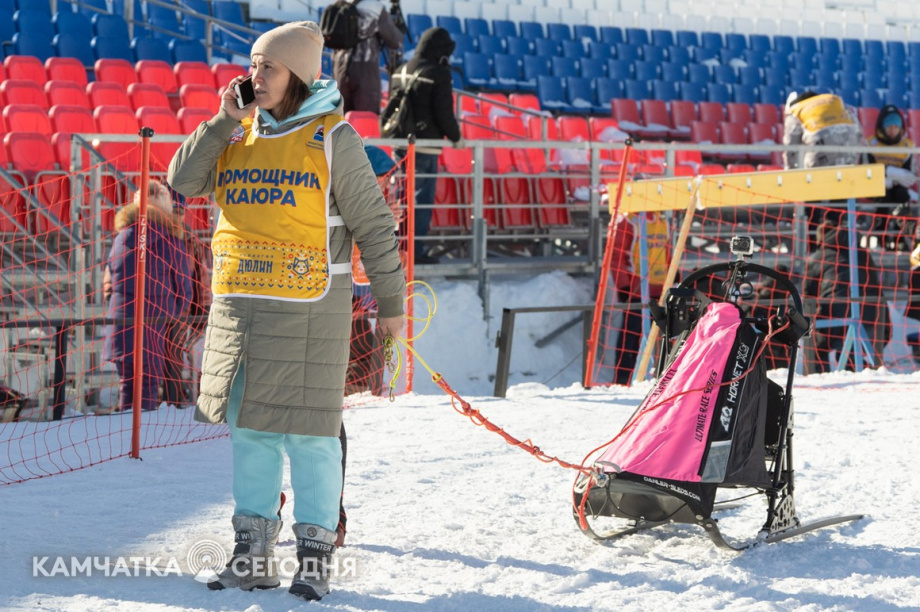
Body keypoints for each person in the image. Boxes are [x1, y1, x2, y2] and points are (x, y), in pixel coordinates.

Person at [167, 21, 406, 601]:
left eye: (267, 67)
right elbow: (182, 179)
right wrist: (224, 118)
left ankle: (315, 555)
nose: (255, 75)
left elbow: (374, 227)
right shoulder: (238, 134)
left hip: (309, 312)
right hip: (240, 309)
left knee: (310, 437)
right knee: (249, 431)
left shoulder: (335, 138)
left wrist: (392, 306)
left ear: (297, 75)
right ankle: (252, 554)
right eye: (253, 64)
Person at [102, 180, 193, 413]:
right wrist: (175, 313)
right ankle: (141, 440)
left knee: (127, 384)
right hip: (155, 320)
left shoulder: (121, 236)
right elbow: (183, 285)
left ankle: (125, 436)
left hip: (121, 318)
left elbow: (110, 277)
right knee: (149, 383)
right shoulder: (171, 239)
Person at [383, 26, 462, 264]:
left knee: (400, 196)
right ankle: (414, 252)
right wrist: (456, 137)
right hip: (425, 145)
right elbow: (443, 112)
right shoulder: (438, 72)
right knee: (421, 199)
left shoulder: (400, 70)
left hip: (399, 143)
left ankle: (398, 249)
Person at [802, 223, 891, 373]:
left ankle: (820, 379)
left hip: (834, 317)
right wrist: (886, 322)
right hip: (870, 318)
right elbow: (877, 287)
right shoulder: (864, 255)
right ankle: (859, 376)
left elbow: (807, 295)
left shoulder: (819, 257)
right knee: (851, 349)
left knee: (816, 347)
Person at [782, 90, 864, 246]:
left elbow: (790, 147)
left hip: (819, 156)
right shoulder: (834, 102)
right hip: (848, 153)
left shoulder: (796, 110)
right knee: (839, 199)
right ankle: (835, 244)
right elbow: (858, 130)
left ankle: (811, 244)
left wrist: (792, 174)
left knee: (811, 197)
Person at [606, 210, 670, 385]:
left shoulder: (662, 221)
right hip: (636, 291)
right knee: (631, 338)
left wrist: (673, 276)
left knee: (660, 339)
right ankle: (623, 380)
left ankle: (657, 378)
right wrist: (623, 286)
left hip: (660, 290)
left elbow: (668, 251)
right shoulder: (628, 222)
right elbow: (617, 257)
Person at [161, 194, 212, 408]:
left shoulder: (189, 239)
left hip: (180, 313)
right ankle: (149, 405)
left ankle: (173, 404)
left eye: (180, 211)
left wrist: (204, 310)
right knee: (151, 362)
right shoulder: (151, 232)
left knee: (174, 360)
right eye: (174, 210)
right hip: (153, 310)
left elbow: (199, 278)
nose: (177, 215)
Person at [331, 0, 403, 115]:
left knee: (340, 121)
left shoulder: (339, 3)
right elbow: (395, 41)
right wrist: (398, 29)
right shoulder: (375, 7)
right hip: (365, 70)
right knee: (366, 120)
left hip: (339, 68)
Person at [865, 105, 917, 250]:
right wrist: (886, 173)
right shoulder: (871, 144)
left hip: (898, 185)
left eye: (896, 127)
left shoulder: (907, 146)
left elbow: (910, 174)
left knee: (902, 196)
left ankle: (902, 238)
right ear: (882, 127)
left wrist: (894, 178)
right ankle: (880, 236)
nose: (892, 130)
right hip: (876, 186)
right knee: (884, 197)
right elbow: (865, 169)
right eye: (889, 127)